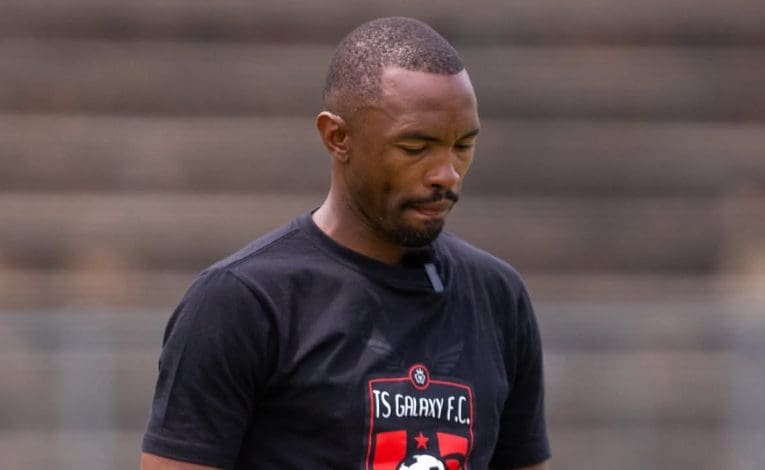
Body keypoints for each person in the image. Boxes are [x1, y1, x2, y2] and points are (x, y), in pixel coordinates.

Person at [140, 16, 550, 470]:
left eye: (463, 146)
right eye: (416, 148)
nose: (446, 174)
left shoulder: (496, 296)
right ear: (337, 137)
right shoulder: (242, 302)